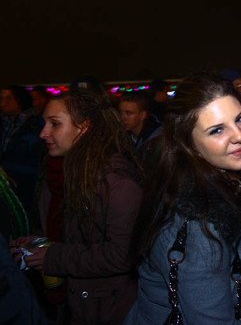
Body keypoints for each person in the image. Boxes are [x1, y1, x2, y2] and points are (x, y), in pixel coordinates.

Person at [125, 72, 241, 324]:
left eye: (240, 118)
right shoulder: (199, 225)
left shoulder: (233, 179)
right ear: (189, 145)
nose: (239, 135)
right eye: (217, 130)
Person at [10, 85, 144, 324]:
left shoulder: (116, 182)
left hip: (108, 308)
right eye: (44, 123)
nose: (43, 133)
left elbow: (122, 254)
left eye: (55, 124)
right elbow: (79, 236)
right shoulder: (69, 173)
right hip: (80, 301)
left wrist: (53, 256)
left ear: (83, 128)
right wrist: (39, 242)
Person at [0, 85, 45, 218]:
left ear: (20, 100)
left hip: (27, 181)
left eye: (9, 98)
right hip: (4, 179)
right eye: (1, 98)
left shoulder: (36, 123)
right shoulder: (3, 122)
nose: (3, 102)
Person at [117, 91, 163, 166]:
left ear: (142, 115)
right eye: (120, 113)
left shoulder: (156, 140)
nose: (122, 118)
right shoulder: (121, 136)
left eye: (128, 113)